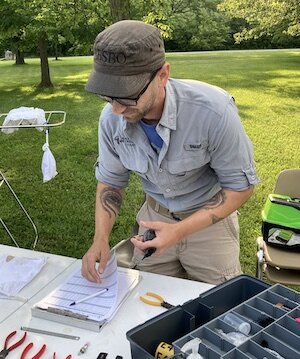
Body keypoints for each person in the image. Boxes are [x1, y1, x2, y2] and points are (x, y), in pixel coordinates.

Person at [82, 20, 258, 285]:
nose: (117, 109)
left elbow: (239, 188)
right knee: (148, 307)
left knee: (217, 309)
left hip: (210, 225)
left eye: (127, 96)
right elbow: (111, 183)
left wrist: (178, 232)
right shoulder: (111, 119)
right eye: (108, 97)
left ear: (162, 75)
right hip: (154, 217)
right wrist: (100, 238)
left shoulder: (214, 111)